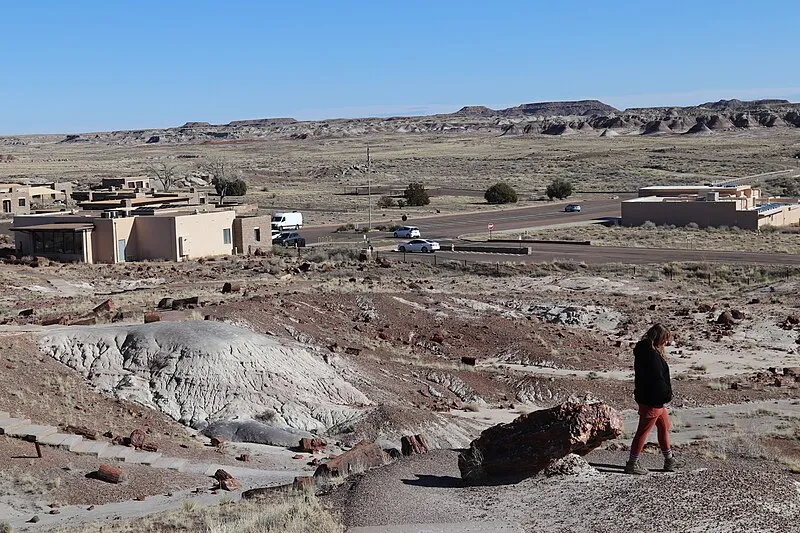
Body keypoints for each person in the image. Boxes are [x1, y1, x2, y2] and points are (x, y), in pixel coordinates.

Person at [625, 323, 682, 475]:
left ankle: (669, 460)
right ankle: (632, 463)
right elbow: (657, 381)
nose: (666, 342)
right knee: (643, 432)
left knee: (664, 426)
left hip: (651, 399)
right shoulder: (652, 356)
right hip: (652, 400)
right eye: (665, 339)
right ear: (659, 339)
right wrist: (666, 395)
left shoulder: (646, 351)